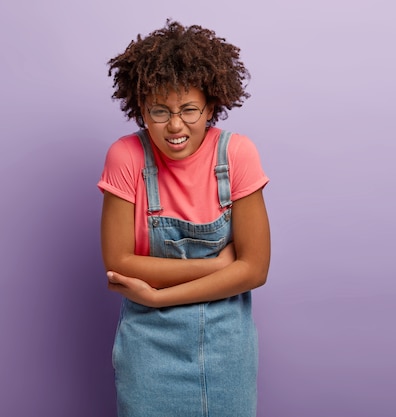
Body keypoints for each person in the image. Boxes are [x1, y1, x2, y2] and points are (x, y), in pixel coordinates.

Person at [98, 20, 270, 417]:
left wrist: (158, 294)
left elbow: (256, 270)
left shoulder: (236, 155)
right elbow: (119, 264)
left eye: (189, 109)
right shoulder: (126, 158)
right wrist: (219, 266)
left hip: (228, 348)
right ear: (141, 109)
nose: (175, 125)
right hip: (148, 349)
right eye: (160, 110)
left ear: (210, 106)